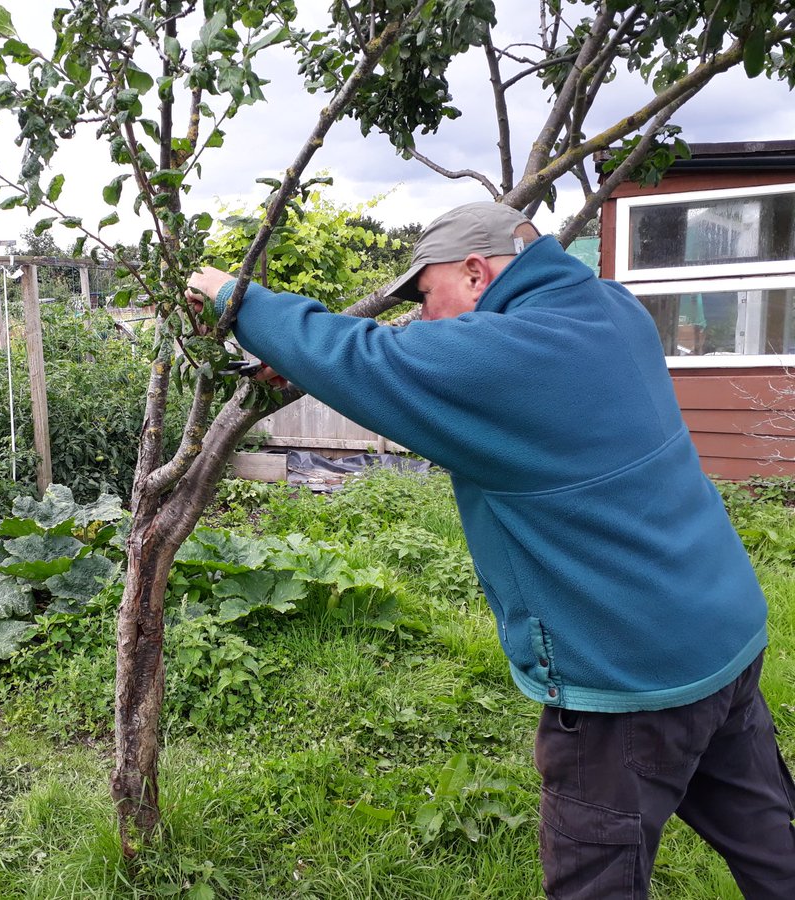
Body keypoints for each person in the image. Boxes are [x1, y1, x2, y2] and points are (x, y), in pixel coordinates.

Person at [186, 201, 795, 899]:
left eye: (425, 295)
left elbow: (372, 359)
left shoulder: (506, 358)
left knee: (594, 884)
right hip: (722, 636)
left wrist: (235, 297)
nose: (422, 316)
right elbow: (432, 357)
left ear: (476, 274)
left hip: (628, 681)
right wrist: (304, 360)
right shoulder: (612, 309)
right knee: (770, 846)